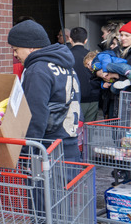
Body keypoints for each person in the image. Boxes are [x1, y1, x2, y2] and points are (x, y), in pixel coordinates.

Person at [8, 19, 81, 161]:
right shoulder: (66, 65)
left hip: (48, 150)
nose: (15, 55)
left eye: (16, 49)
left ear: (31, 47)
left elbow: (34, 114)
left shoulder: (37, 70)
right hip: (69, 144)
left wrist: (26, 152)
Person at [68, 27, 97, 123]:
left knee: (75, 130)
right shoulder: (92, 56)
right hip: (92, 98)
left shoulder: (66, 55)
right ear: (86, 40)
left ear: (70, 39)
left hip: (73, 99)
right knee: (89, 130)